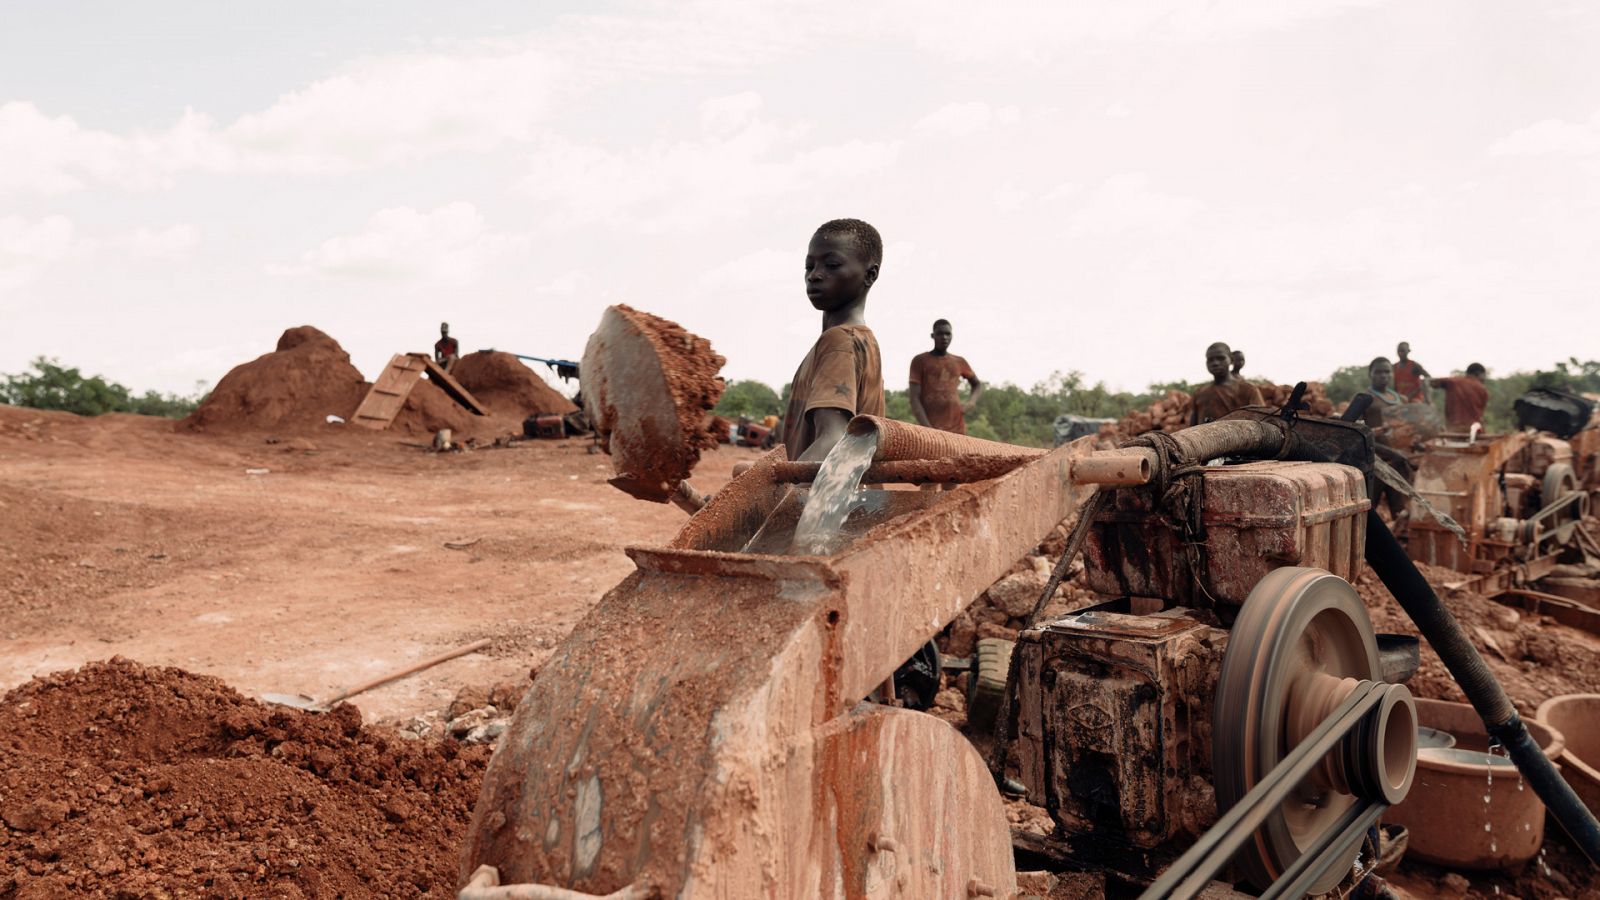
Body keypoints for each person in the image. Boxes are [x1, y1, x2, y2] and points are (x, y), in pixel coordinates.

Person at [780, 219, 886, 461]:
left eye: (832, 265)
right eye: (809, 266)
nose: (815, 275)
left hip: (819, 499)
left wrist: (775, 497)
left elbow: (833, 442)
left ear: (870, 275)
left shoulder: (840, 341)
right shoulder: (862, 341)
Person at [909, 319, 983, 435]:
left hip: (957, 428)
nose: (944, 337)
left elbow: (976, 384)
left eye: (947, 334)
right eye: (940, 333)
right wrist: (927, 428)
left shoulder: (959, 361)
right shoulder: (920, 361)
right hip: (930, 428)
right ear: (933, 336)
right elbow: (914, 398)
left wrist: (970, 404)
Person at [1190, 342, 1264, 425]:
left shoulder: (1248, 390)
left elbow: (1261, 423)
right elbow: (1192, 426)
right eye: (1210, 360)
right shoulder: (1200, 393)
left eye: (1221, 358)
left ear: (1231, 360)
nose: (1215, 363)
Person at [1429, 363, 1490, 430]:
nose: (1484, 379)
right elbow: (1480, 413)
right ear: (1478, 373)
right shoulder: (1483, 390)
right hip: (1474, 430)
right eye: (1483, 376)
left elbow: (1431, 382)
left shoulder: (1453, 382)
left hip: (1453, 428)